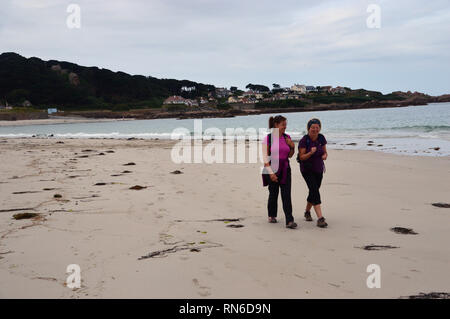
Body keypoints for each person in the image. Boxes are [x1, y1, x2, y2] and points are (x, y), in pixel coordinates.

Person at [262, 115, 297, 229]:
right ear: (276, 125)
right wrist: (271, 173)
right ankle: (272, 215)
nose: (285, 127)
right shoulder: (268, 138)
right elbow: (265, 158)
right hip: (271, 168)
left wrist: (292, 146)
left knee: (286, 194)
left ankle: (289, 221)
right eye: (283, 125)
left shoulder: (287, 137)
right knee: (273, 194)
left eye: (285, 124)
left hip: (285, 168)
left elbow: (290, 155)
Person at [298, 118, 328, 228]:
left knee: (313, 191)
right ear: (308, 128)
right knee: (315, 191)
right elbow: (301, 157)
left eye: (317, 127)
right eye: (312, 128)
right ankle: (320, 218)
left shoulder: (321, 138)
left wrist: (324, 156)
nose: (315, 129)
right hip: (307, 170)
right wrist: (310, 153)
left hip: (319, 169)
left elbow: (325, 152)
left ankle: (307, 212)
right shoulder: (304, 140)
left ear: (320, 128)